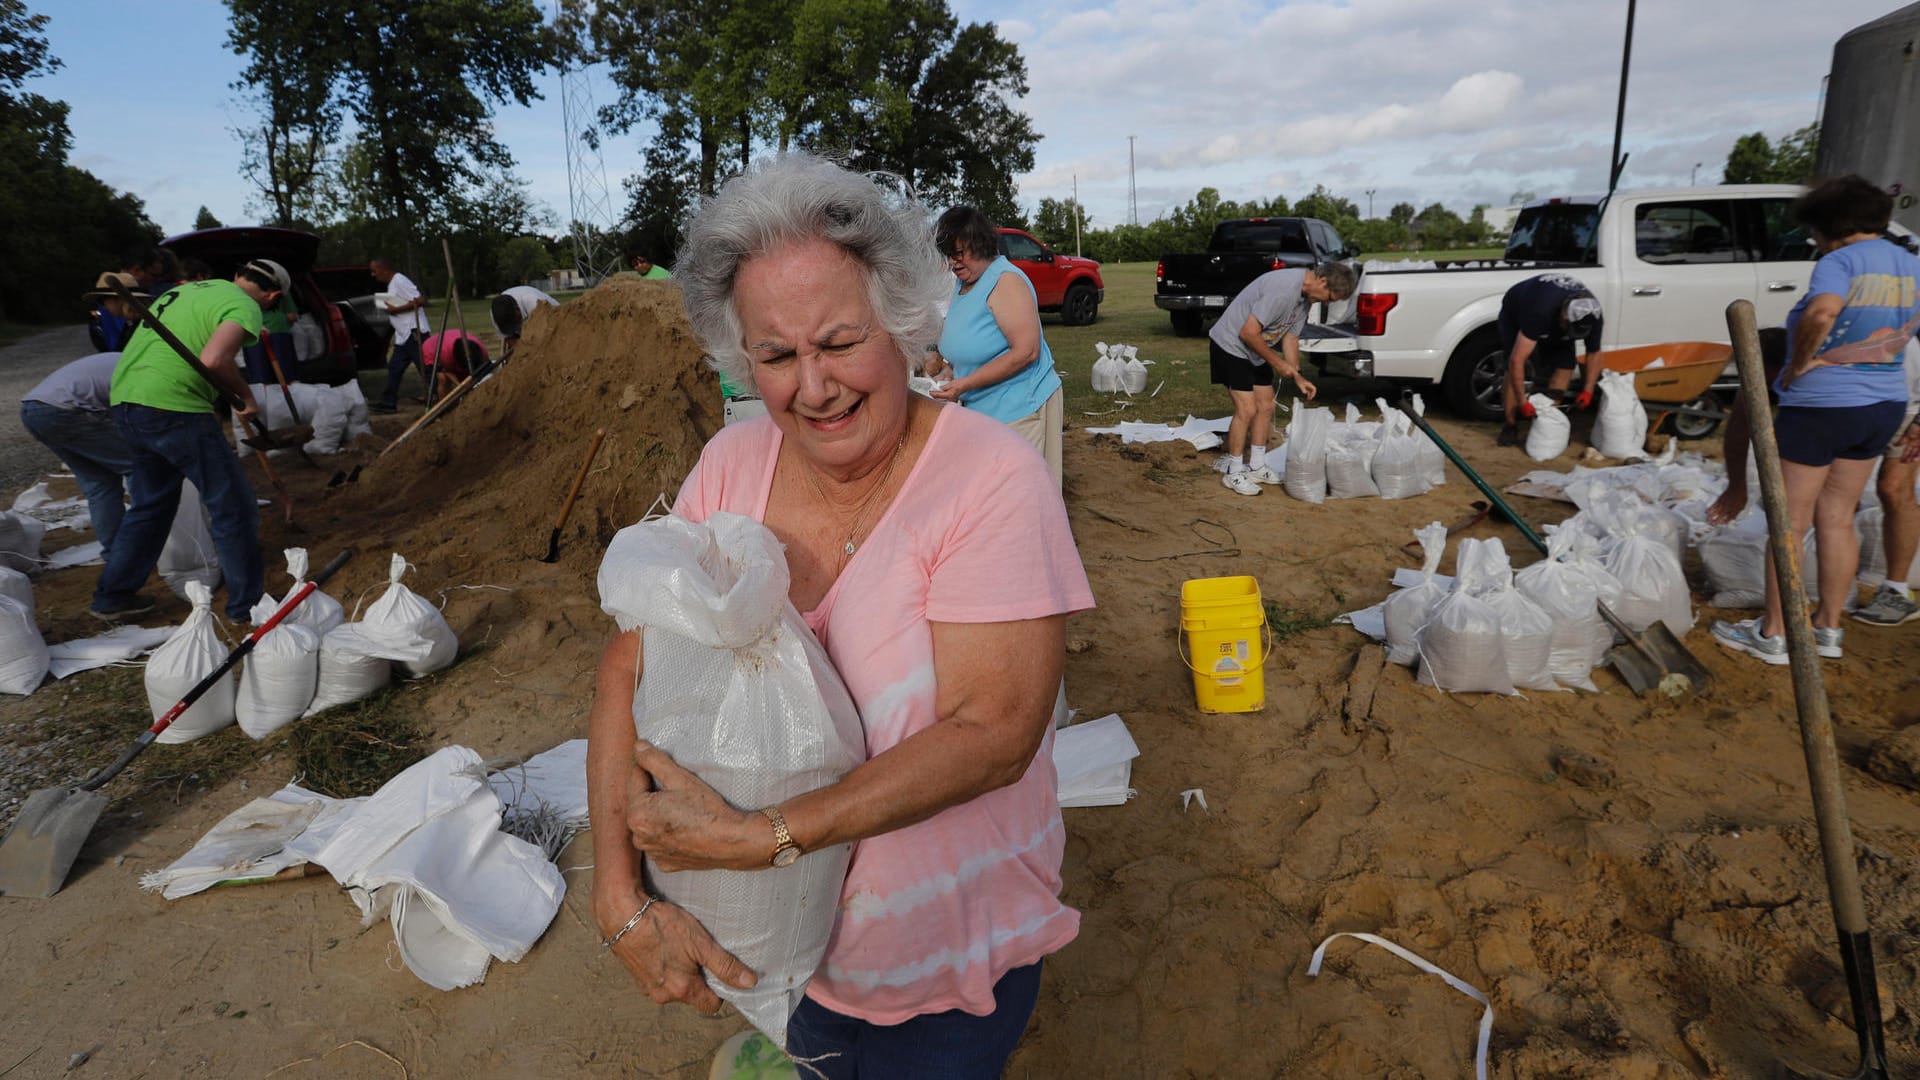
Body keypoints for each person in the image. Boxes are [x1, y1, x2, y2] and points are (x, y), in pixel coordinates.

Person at [588, 154, 1092, 1079]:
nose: (812, 387)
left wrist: (763, 837)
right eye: (776, 356)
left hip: (940, 961)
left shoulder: (990, 482)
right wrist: (618, 896)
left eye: (840, 341)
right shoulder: (732, 469)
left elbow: (994, 734)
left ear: (902, 324)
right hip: (787, 956)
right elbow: (630, 662)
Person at [1711, 175, 1920, 663]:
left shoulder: (1839, 261)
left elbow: (1823, 313)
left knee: (1790, 521)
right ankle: (1827, 628)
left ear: (1831, 227)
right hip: (1883, 403)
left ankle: (1775, 633)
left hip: (1823, 405)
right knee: (1837, 516)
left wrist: (1800, 362)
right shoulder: (1910, 264)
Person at [90, 259, 288, 623]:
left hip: (127, 401)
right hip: (172, 406)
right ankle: (248, 607)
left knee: (151, 504)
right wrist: (245, 398)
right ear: (272, 295)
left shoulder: (185, 290)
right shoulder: (244, 305)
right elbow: (214, 358)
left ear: (235, 275)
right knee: (233, 505)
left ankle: (112, 596)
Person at [923, 205, 1066, 487]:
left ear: (979, 243)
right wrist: (951, 370)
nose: (953, 262)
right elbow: (973, 341)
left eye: (959, 253)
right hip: (984, 410)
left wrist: (964, 385)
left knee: (1021, 493)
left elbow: (1026, 351)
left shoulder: (1005, 281)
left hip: (1021, 408)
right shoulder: (964, 281)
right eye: (949, 255)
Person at [1205, 262, 1355, 496]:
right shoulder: (1284, 289)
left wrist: (1296, 375)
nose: (1327, 303)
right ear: (1323, 282)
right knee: (1247, 409)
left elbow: (1291, 338)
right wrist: (1278, 363)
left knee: (1266, 405)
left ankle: (1256, 465)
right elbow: (1248, 332)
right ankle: (1233, 472)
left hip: (1254, 349)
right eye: (1329, 298)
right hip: (1231, 344)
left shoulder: (1306, 299)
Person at [20, 353, 132, 559]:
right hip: (65, 410)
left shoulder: (126, 359)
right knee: (141, 468)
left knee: (100, 483)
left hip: (32, 409)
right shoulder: (145, 369)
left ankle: (118, 555)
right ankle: (155, 542)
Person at [1496, 273, 1606, 448]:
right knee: (1513, 364)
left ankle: (1548, 420)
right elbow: (1517, 360)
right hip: (1516, 309)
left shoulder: (1593, 316)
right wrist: (1523, 402)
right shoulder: (1539, 312)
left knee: (1566, 365)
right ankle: (1510, 425)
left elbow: (1594, 352)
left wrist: (1588, 390)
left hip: (1554, 314)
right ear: (1564, 316)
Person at [1854, 337, 1920, 625]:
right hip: (1850, 404)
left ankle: (1897, 591)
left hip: (1907, 408)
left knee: (1894, 490)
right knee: (1837, 495)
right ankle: (1831, 582)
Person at [370, 256, 428, 413]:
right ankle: (388, 403)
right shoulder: (392, 285)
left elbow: (420, 300)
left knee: (426, 368)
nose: (373, 275)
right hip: (403, 336)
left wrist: (395, 310)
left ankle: (439, 396)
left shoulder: (400, 280)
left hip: (414, 331)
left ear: (383, 269)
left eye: (374, 271)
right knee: (394, 368)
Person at [489, 283, 558, 357]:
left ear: (518, 309)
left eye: (514, 324)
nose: (515, 328)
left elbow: (546, 336)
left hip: (555, 323)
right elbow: (510, 339)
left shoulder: (534, 303)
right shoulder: (495, 315)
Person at [85, 271, 146, 353]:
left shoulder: (139, 326)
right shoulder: (131, 323)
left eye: (102, 299)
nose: (103, 306)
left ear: (120, 299)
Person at [420, 328, 488, 399]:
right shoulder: (445, 354)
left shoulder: (481, 351)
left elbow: (484, 368)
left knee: (469, 379)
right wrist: (461, 386)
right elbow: (446, 371)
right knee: (443, 378)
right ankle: (444, 405)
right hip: (432, 350)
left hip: (453, 340)